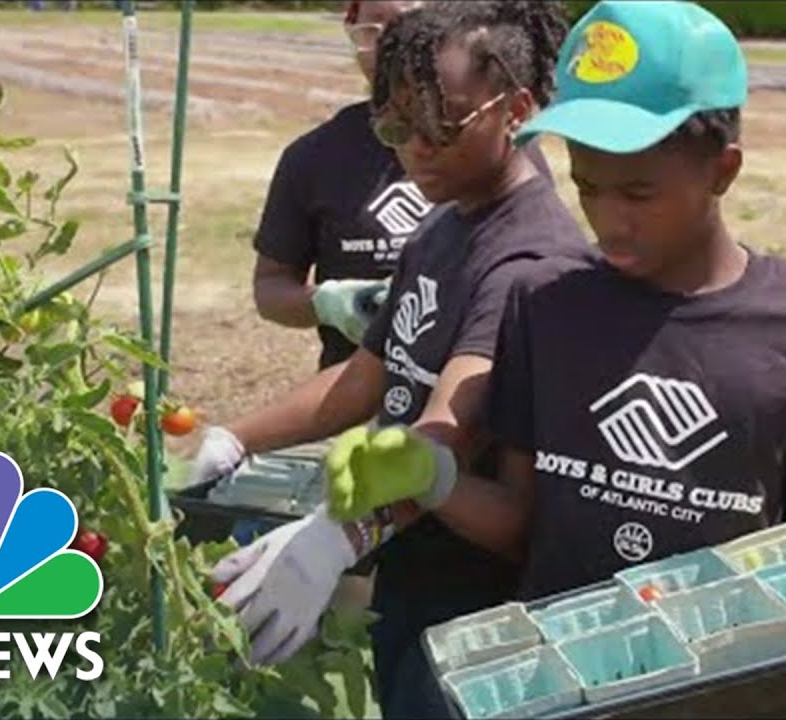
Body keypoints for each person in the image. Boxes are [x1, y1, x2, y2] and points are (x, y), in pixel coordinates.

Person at [323, 0, 786, 609]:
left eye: (639, 193)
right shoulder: (544, 306)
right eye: (587, 187)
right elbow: (520, 524)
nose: (609, 219)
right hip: (558, 675)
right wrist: (431, 477)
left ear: (723, 171)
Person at [192, 2, 587, 716]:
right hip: (413, 569)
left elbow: (448, 432)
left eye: (441, 124)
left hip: (474, 602)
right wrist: (231, 440)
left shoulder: (529, 259)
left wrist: (335, 538)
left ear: (518, 109)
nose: (415, 150)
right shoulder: (446, 224)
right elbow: (367, 376)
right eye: (395, 127)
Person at [249, 0, 555, 371]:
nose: (387, 44)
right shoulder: (312, 156)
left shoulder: (499, 149)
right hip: (354, 393)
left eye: (402, 25)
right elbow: (271, 287)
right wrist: (328, 304)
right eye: (370, 31)